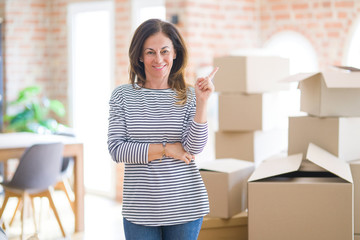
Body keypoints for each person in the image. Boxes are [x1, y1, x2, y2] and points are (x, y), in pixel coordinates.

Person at [107, 18, 218, 240]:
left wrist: (202, 101)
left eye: (164, 51)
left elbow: (193, 147)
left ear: (175, 53)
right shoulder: (122, 96)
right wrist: (168, 149)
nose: (158, 59)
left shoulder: (189, 95)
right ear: (139, 55)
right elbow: (117, 150)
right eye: (150, 52)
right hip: (139, 209)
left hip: (185, 206)